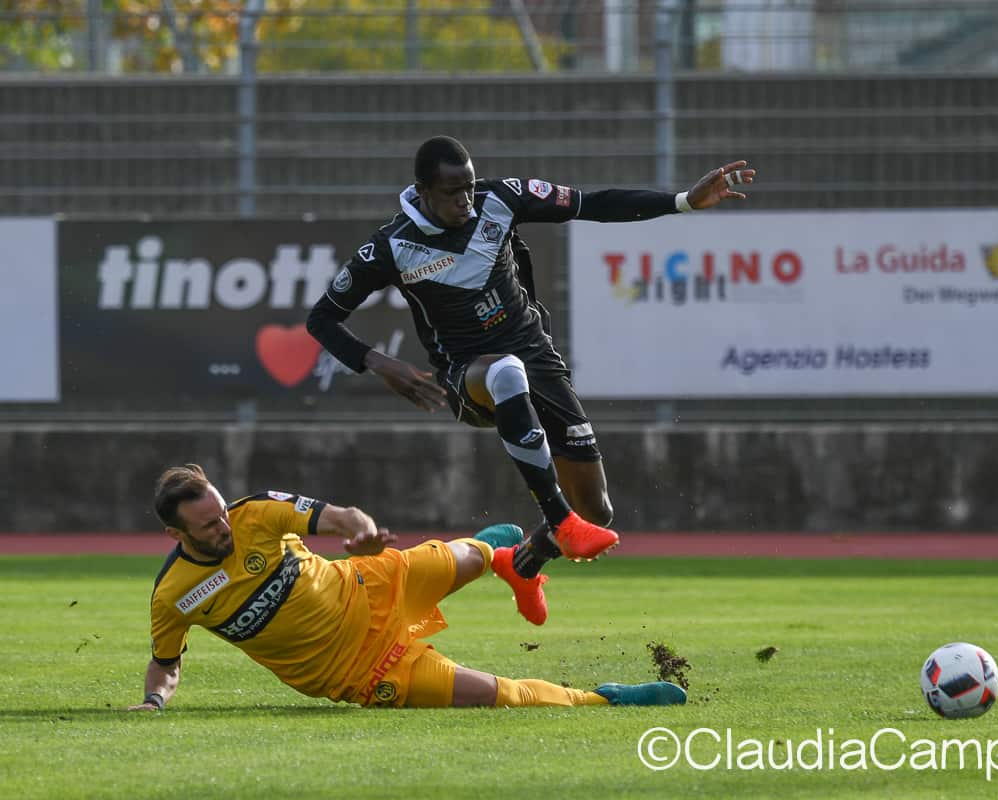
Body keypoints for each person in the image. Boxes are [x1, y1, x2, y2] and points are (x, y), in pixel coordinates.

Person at [306, 136, 755, 626]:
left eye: (469, 187)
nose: (465, 201)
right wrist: (379, 363)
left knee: (596, 511)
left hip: (538, 359)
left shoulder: (501, 198)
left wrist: (683, 201)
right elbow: (322, 318)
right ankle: (559, 518)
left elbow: (593, 204)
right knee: (506, 373)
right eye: (452, 193)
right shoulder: (390, 247)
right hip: (468, 375)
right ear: (423, 191)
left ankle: (523, 562)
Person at [127, 464, 685, 711]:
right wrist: (154, 701)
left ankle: (501, 559)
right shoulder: (174, 596)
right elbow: (165, 664)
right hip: (360, 671)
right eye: (208, 527)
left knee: (464, 558)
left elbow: (342, 516)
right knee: (497, 696)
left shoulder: (254, 513)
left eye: (222, 514)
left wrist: (363, 533)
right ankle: (605, 698)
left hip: (369, 584)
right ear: (176, 535)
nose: (224, 528)